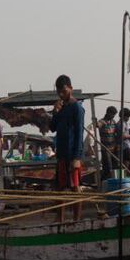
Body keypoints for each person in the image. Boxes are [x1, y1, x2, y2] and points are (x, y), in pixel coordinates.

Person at [49, 75, 84, 222]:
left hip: (72, 153)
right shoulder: (62, 108)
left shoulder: (77, 107)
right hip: (61, 153)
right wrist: (55, 112)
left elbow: (79, 133)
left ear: (70, 88)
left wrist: (76, 158)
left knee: (75, 187)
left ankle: (76, 219)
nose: (61, 94)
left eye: (64, 91)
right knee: (60, 187)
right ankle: (60, 219)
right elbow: (52, 128)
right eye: (59, 92)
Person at [96, 106, 118, 180]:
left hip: (113, 147)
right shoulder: (102, 121)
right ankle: (104, 182)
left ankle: (112, 181)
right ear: (108, 113)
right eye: (112, 114)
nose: (113, 116)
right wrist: (95, 122)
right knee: (108, 167)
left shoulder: (113, 122)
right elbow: (97, 125)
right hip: (105, 148)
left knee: (115, 166)